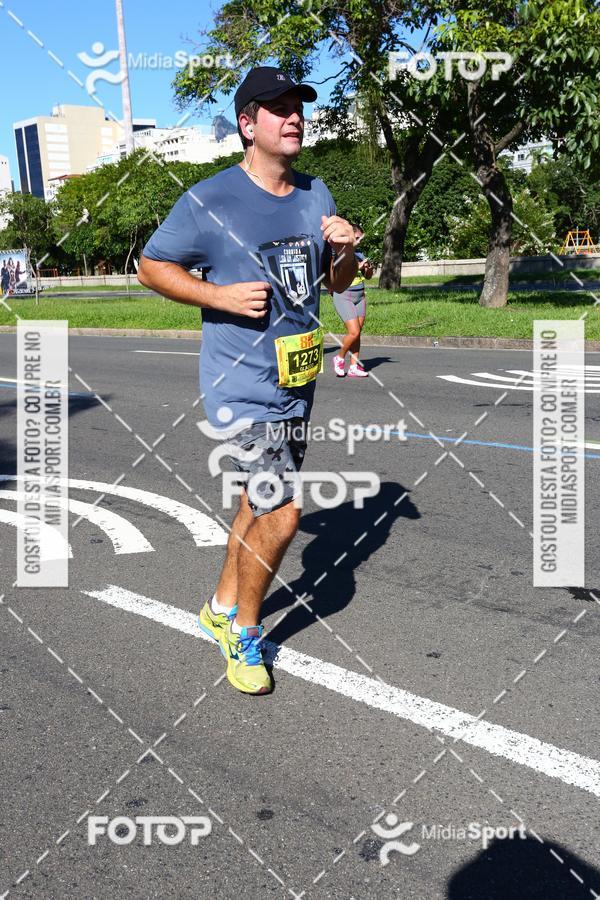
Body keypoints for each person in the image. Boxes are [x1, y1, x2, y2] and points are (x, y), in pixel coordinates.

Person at [138, 66, 357, 695]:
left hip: (295, 380)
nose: (294, 117)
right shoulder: (209, 199)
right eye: (278, 108)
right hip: (239, 389)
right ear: (246, 124)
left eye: (298, 107)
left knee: (252, 505)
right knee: (283, 516)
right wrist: (218, 296)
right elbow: (152, 267)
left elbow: (335, 286)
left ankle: (218, 606)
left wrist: (343, 252)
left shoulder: (317, 193)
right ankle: (246, 632)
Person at [331, 223, 374, 377]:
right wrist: (357, 266)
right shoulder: (340, 254)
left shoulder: (360, 254)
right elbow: (340, 272)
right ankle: (339, 357)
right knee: (353, 332)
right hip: (344, 296)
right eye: (356, 238)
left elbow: (368, 277)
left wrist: (368, 269)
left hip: (360, 296)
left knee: (358, 333)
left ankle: (354, 366)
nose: (359, 241)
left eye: (360, 239)